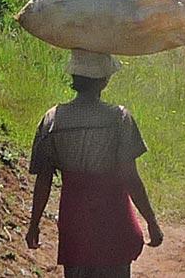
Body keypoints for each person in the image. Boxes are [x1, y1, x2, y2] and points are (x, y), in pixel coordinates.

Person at [27, 51, 163, 278]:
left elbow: (44, 180)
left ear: (74, 78)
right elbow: (130, 177)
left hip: (75, 220)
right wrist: (151, 221)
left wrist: (34, 225)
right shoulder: (118, 119)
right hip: (113, 219)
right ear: (104, 80)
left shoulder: (52, 120)